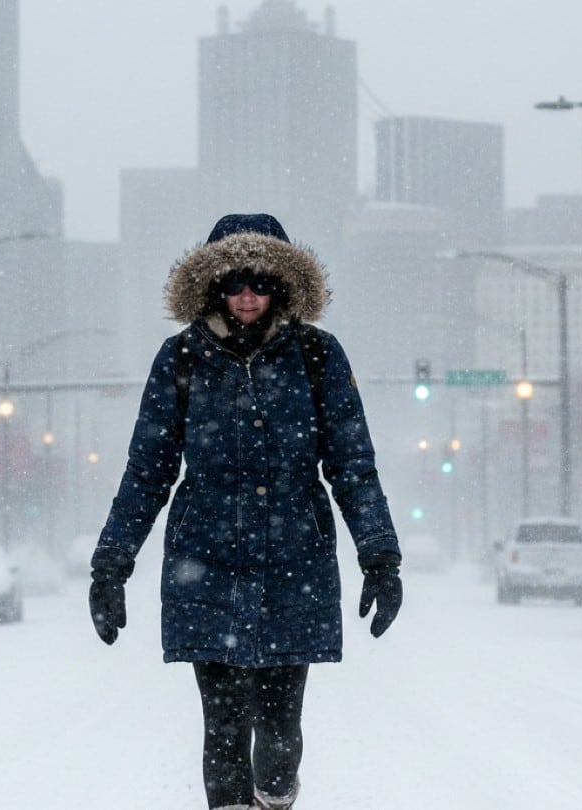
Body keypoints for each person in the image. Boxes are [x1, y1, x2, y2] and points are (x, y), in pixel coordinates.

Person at [89, 213, 402, 810]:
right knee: (224, 732)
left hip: (296, 566)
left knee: (280, 742)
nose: (247, 294)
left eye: (260, 280)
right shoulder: (181, 357)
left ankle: (277, 798)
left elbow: (353, 464)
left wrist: (380, 554)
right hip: (206, 567)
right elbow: (147, 470)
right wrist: (112, 562)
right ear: (213, 286)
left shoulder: (316, 355)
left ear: (281, 284)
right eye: (234, 282)